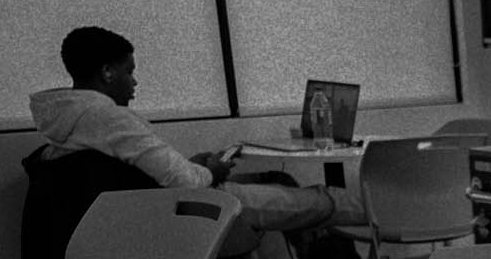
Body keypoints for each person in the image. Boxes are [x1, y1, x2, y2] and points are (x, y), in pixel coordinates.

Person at [29, 27, 363, 235]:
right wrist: (210, 170)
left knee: (282, 179)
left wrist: (194, 165)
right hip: (188, 209)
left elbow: (130, 175)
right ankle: (386, 220)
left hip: (151, 208)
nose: (135, 82)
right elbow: (187, 183)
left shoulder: (65, 123)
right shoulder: (110, 118)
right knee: (325, 200)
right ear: (107, 73)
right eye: (129, 72)